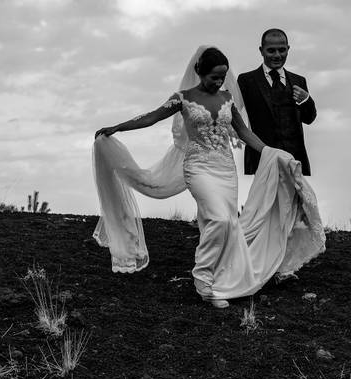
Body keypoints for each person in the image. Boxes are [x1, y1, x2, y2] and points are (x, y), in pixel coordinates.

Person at [92, 45, 325, 309]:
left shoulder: (227, 99)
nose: (219, 82)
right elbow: (151, 117)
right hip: (198, 167)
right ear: (200, 73)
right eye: (214, 76)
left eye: (222, 77)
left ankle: (221, 276)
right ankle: (202, 279)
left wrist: (272, 152)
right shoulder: (183, 98)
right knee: (220, 218)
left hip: (226, 170)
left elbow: (244, 133)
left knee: (227, 224)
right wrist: (117, 128)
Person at [237, 28, 316, 176]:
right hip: (260, 160)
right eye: (271, 50)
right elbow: (235, 115)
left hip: (294, 161)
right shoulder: (246, 81)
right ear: (261, 50)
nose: (277, 55)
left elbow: (309, 118)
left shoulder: (299, 81)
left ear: (288, 49)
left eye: (282, 50)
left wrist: (306, 99)